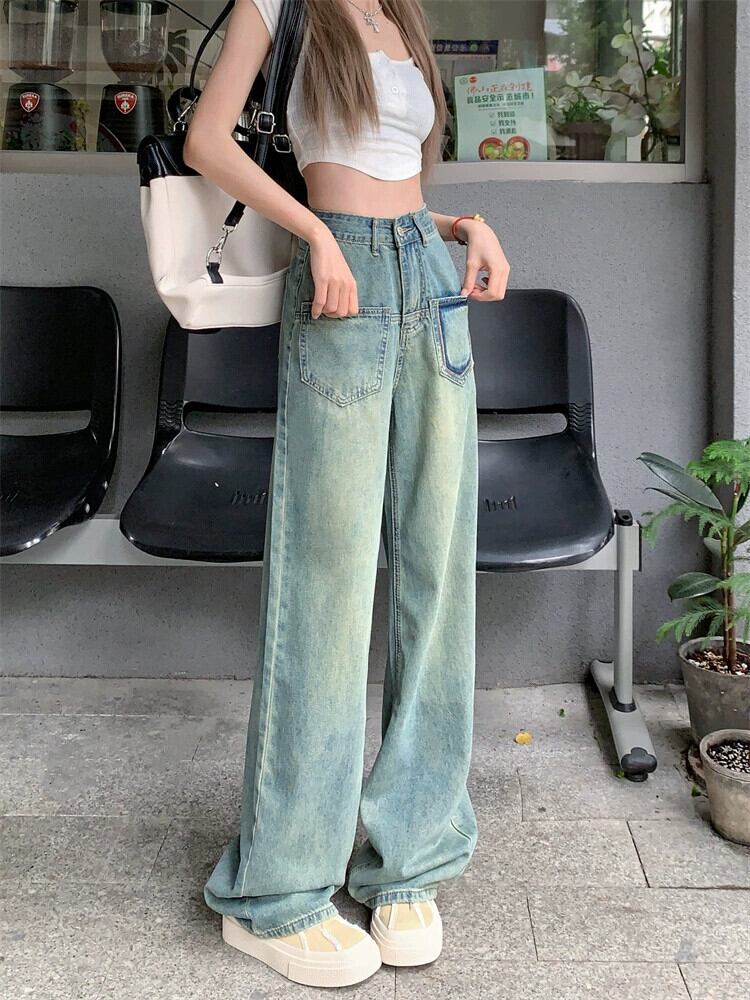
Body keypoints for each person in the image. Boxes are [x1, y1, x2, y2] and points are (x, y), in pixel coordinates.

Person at [183, 0, 509, 988]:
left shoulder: (400, 11)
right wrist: (313, 234)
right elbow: (207, 142)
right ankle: (278, 890)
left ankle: (411, 856)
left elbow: (396, 172)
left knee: (436, 574)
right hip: (342, 282)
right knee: (323, 587)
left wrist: (463, 224)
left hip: (428, 276)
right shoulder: (279, 6)